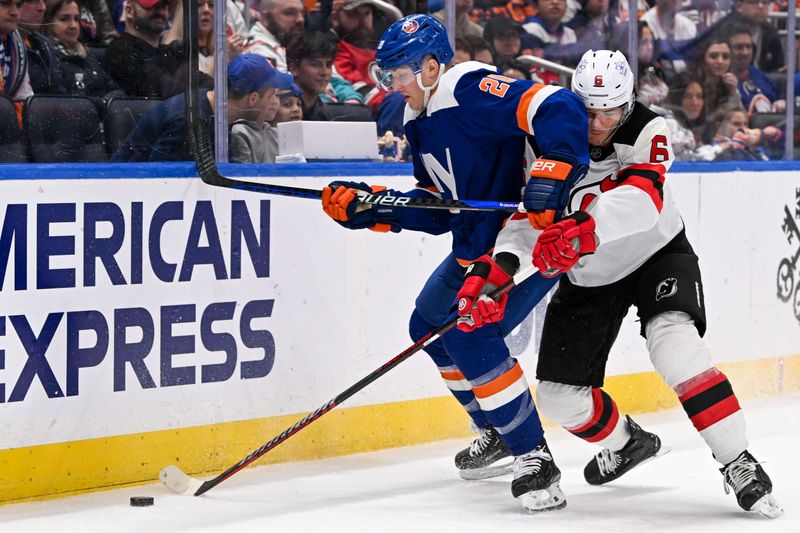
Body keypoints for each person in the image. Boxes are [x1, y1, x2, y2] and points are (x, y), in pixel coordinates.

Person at [319, 14, 590, 512]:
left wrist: (552, 172)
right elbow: (440, 207)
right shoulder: (414, 119)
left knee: (470, 332)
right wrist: (375, 208)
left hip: (526, 239)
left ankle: (535, 458)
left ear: (429, 67)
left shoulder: (466, 86)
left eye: (398, 73)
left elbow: (559, 104)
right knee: (426, 324)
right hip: (472, 248)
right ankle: (497, 430)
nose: (392, 85)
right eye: (387, 75)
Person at [517, 49, 782, 518]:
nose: (598, 124)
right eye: (589, 111)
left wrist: (583, 227)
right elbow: (524, 214)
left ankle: (738, 460)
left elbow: (643, 199)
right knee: (558, 398)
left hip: (656, 252)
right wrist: (505, 262)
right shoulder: (542, 137)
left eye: (611, 111)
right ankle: (626, 443)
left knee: (674, 345)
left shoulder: (648, 128)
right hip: (590, 273)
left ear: (629, 102)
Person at [113, 53, 293, 161]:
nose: (275, 101)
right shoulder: (187, 120)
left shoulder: (218, 115)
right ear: (252, 99)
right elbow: (160, 181)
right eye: (272, 96)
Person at [44, 0, 120, 97]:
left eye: (76, 19)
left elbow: (114, 89)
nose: (73, 26)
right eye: (64, 19)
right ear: (48, 23)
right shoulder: (48, 58)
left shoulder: (87, 55)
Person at [244, 0, 304, 71]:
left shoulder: (281, 39)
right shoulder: (260, 51)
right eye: (290, 13)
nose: (300, 19)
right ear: (266, 18)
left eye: (302, 13)